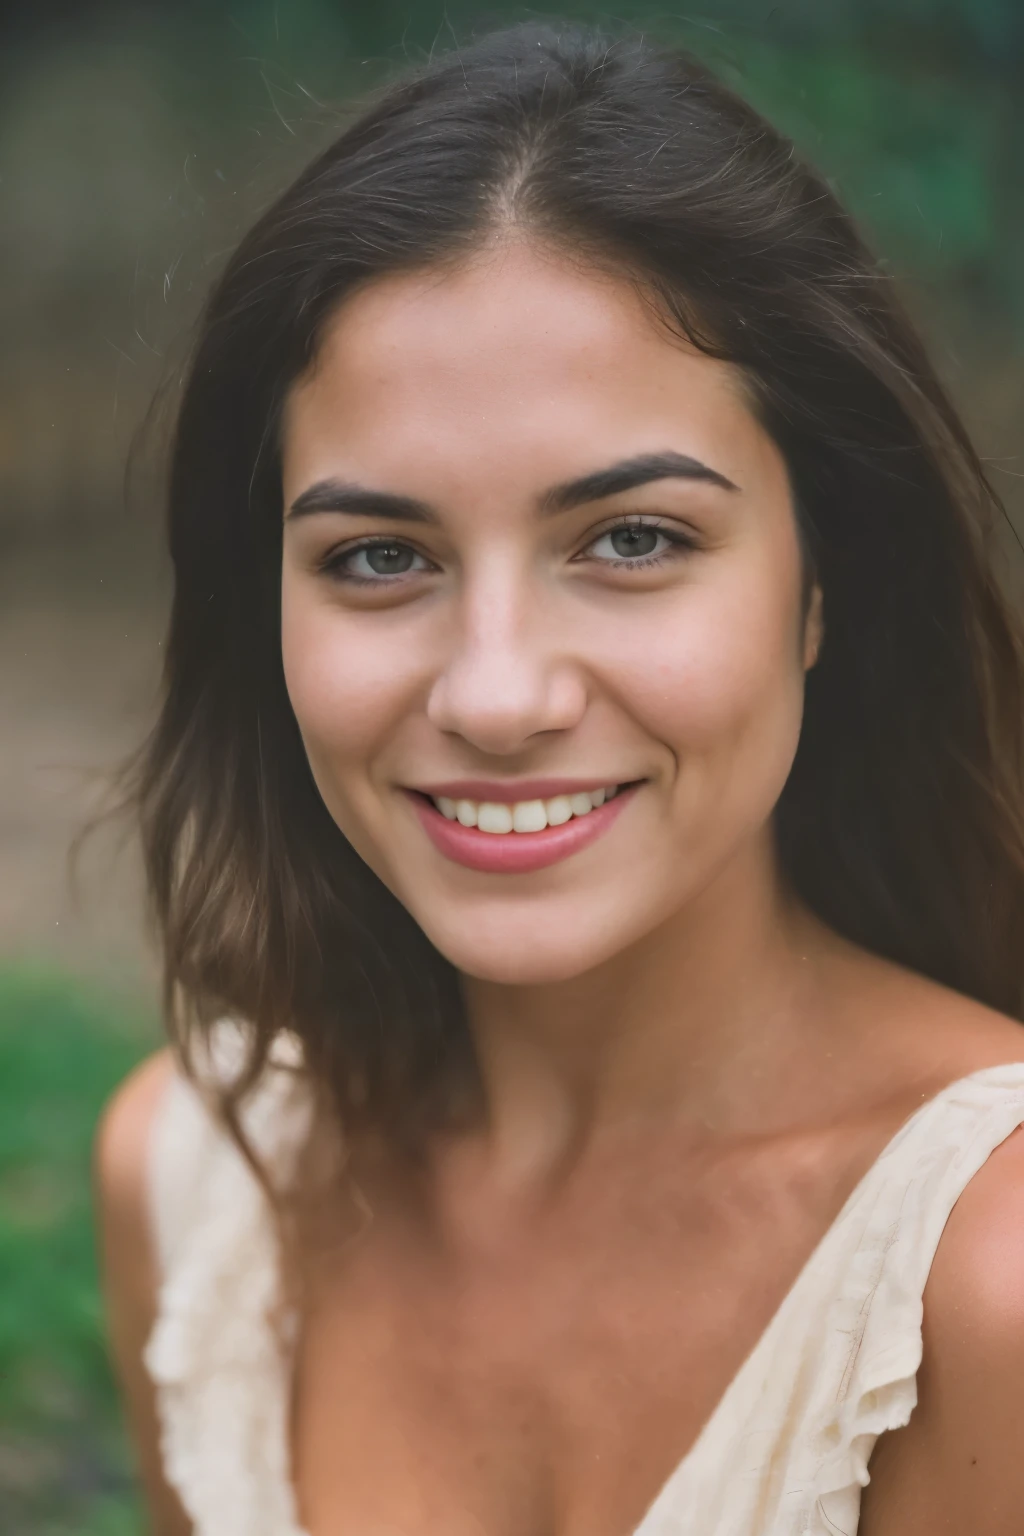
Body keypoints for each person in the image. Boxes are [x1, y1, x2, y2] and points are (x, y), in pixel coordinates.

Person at [94, 21, 1024, 1536]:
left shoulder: (988, 1280)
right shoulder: (200, 1186)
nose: (499, 694)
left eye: (634, 539)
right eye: (380, 558)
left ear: (821, 583)